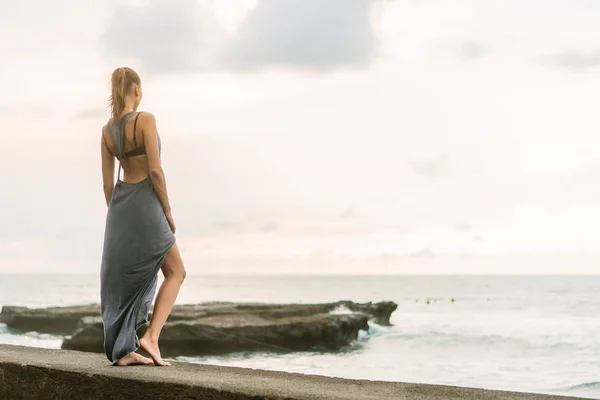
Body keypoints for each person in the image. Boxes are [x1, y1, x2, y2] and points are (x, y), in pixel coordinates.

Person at [100, 67, 186, 366]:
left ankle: (124, 351)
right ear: (136, 89)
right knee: (176, 272)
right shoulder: (145, 119)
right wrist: (167, 209)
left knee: (126, 279)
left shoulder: (107, 131)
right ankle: (151, 337)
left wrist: (121, 218)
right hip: (147, 204)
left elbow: (108, 185)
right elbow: (155, 171)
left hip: (120, 210)